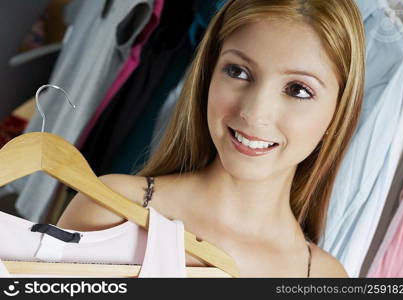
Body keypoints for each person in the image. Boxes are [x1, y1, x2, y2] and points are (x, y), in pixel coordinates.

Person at [57, 0, 365, 277]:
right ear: (207, 76)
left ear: (337, 113)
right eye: (238, 71)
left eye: (298, 89)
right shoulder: (111, 210)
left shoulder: (327, 278)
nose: (255, 113)